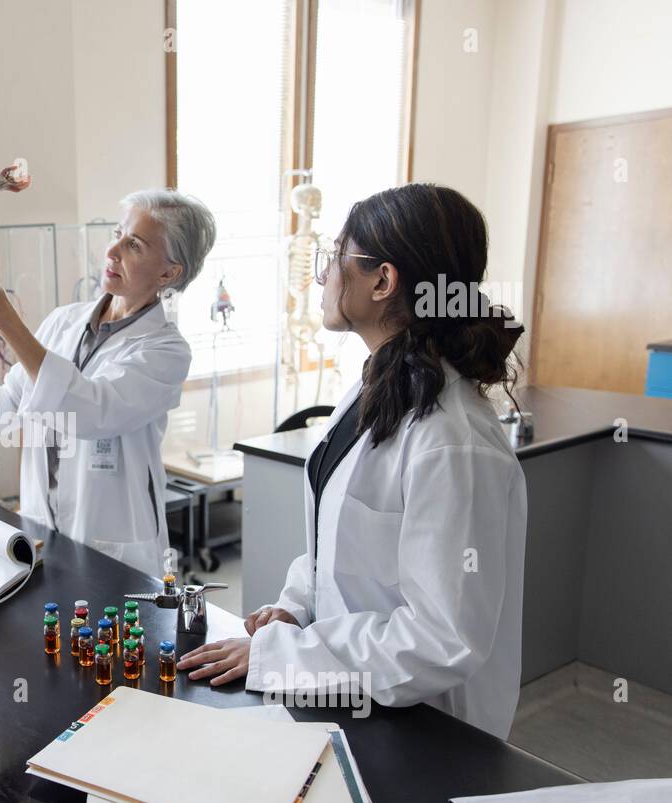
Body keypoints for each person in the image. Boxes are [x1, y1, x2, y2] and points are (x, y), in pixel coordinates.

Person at [179, 183, 527, 740]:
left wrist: (283, 657)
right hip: (357, 699)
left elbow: (441, 640)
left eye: (334, 257)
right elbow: (339, 548)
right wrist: (296, 607)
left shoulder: (453, 442)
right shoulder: (380, 387)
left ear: (383, 281)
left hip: (426, 731)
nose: (321, 277)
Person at [0, 189, 216, 578]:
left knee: (106, 635)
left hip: (114, 548)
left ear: (169, 273)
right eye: (118, 233)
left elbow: (90, 412)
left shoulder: (165, 351)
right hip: (41, 528)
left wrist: (1, 312)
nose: (112, 250)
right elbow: (11, 403)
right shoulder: (64, 321)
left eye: (134, 244)